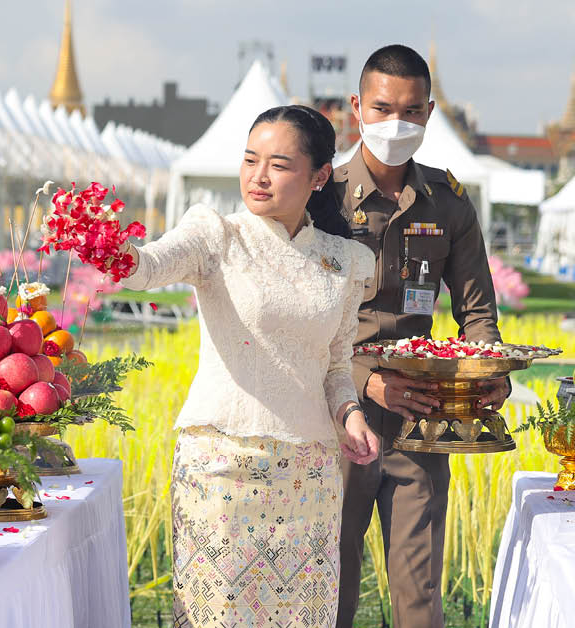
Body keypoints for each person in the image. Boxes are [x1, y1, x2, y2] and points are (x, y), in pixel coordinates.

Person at [120, 104, 382, 627]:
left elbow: (335, 364)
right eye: (249, 160)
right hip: (220, 469)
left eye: (279, 165)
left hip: (309, 479)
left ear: (319, 176)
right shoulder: (216, 234)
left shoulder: (346, 261)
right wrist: (109, 248)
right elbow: (146, 267)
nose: (258, 177)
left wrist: (350, 413)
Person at [333, 45, 511, 627]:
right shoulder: (323, 198)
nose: (396, 124)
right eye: (383, 109)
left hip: (420, 420)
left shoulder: (448, 201)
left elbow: (477, 314)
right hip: (338, 415)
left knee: (418, 595)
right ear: (356, 106)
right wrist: (367, 380)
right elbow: (295, 321)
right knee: (330, 583)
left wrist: (489, 378)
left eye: (411, 112)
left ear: (430, 113)